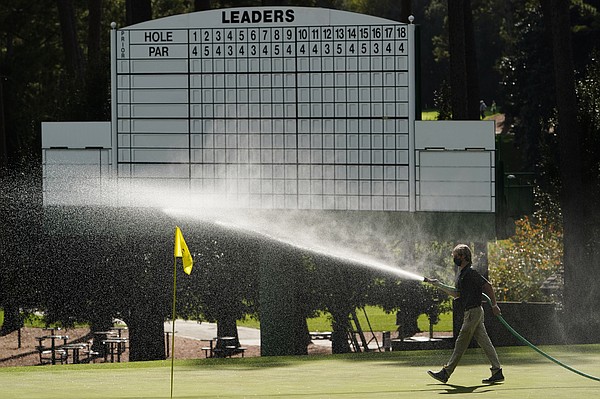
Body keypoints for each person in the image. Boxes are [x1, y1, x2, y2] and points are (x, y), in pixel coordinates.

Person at [424, 244, 504, 384]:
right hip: (473, 312)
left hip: (473, 312)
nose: (454, 258)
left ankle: (446, 372)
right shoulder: (462, 274)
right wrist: (438, 284)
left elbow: (488, 286)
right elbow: (456, 294)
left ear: (463, 256)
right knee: (485, 342)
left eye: (456, 256)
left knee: (461, 343)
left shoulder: (471, 272)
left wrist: (494, 305)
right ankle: (497, 371)